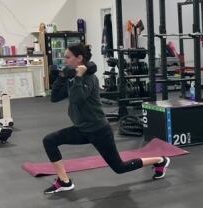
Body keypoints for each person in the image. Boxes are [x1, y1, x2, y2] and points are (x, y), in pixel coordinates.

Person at [42, 43, 170, 194]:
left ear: (79, 58)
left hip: (99, 131)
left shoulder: (89, 79)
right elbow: (55, 97)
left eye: (68, 57)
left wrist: (77, 77)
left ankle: (160, 160)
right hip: (82, 129)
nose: (65, 61)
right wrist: (62, 78)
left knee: (119, 168)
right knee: (49, 140)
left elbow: (77, 99)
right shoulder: (73, 77)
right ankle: (64, 181)